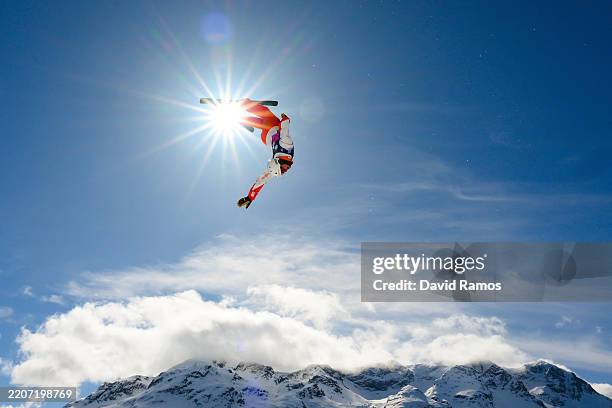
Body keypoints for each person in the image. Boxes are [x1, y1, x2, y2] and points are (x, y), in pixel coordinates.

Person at [236, 99, 294, 209]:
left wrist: (249, 198)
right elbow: (284, 132)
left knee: (264, 113)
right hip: (267, 136)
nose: (286, 170)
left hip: (270, 128)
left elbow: (260, 181)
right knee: (260, 121)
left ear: (278, 162)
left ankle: (245, 104)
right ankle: (243, 118)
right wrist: (285, 120)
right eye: (285, 170)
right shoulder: (287, 145)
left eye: (284, 169)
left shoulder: (274, 168)